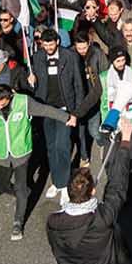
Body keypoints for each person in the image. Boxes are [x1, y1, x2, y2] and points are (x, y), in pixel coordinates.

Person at [0, 82, 76, 241]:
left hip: (21, 153)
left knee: (20, 187)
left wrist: (66, 117)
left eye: (3, 102)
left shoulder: (23, 102)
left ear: (10, 95)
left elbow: (44, 110)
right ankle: (22, 193)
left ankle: (18, 222)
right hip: (1, 154)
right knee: (3, 185)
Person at [45, 118, 132, 264]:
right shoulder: (102, 218)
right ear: (93, 191)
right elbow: (117, 185)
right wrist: (125, 142)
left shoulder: (53, 222)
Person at [29, 28, 85, 199]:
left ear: (58, 42)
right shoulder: (37, 57)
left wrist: (75, 112)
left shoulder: (70, 57)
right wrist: (30, 81)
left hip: (64, 109)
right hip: (46, 109)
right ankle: (57, 181)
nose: (48, 47)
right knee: (52, 148)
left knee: (63, 146)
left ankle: (65, 184)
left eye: (51, 44)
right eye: (45, 45)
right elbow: (34, 86)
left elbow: (78, 85)